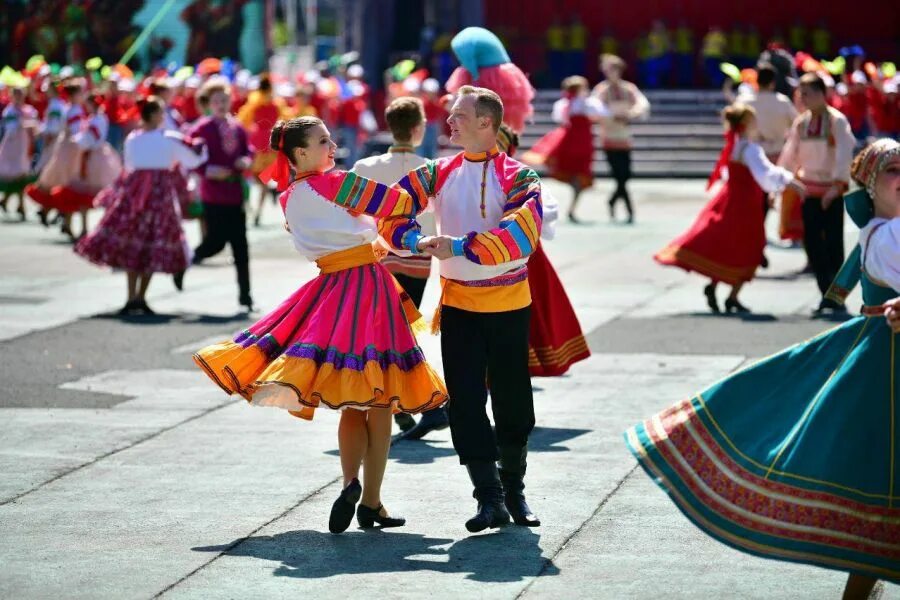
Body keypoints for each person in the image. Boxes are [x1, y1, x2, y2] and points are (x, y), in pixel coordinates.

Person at [627, 137, 900, 600]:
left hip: (875, 356)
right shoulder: (884, 234)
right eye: (893, 171)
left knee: (877, 474)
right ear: (871, 185)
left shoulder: (882, 228)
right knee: (872, 468)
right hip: (883, 361)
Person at [193, 116, 448, 534]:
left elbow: (327, 237)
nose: (332, 147)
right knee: (381, 398)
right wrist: (430, 183)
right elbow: (399, 203)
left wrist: (368, 234)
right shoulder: (338, 183)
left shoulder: (288, 198)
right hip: (368, 288)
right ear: (300, 153)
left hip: (330, 289)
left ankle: (349, 482)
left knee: (350, 398)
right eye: (323, 141)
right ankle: (371, 501)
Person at [379, 85, 543, 532]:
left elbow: (519, 238)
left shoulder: (521, 177)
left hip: (509, 303)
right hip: (458, 303)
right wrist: (410, 239)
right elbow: (392, 210)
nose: (448, 123)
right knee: (466, 403)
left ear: (486, 123)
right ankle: (487, 497)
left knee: (514, 403)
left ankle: (514, 489)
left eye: (459, 117)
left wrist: (455, 245)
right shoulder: (438, 171)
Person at [655, 103, 800, 313]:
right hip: (745, 204)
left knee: (727, 244)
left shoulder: (733, 146)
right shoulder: (750, 149)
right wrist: (789, 180)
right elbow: (765, 173)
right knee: (751, 246)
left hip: (730, 200)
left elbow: (729, 173)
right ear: (746, 124)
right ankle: (732, 296)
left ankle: (716, 287)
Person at [350, 96, 437, 435]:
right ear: (418, 129)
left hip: (377, 257)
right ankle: (416, 402)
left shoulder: (365, 168)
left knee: (379, 332)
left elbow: (353, 214)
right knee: (402, 331)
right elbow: (433, 217)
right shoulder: (429, 168)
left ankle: (395, 400)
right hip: (416, 257)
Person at [74, 97, 208, 315]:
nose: (163, 116)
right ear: (154, 115)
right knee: (152, 242)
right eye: (161, 112)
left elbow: (129, 164)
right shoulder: (168, 139)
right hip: (159, 192)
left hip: (134, 191)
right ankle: (141, 296)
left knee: (132, 242)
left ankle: (131, 296)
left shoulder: (133, 139)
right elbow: (193, 159)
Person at [778, 72, 856, 316]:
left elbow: (845, 154)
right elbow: (790, 153)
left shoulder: (837, 121)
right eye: (801, 94)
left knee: (833, 243)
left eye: (808, 93)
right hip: (808, 188)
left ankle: (836, 296)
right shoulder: (801, 122)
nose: (804, 98)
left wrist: (836, 186)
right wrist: (783, 180)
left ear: (822, 94)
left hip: (831, 189)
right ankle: (826, 293)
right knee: (812, 243)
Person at [188, 80, 254, 311]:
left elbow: (248, 151)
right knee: (215, 242)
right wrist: (207, 171)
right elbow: (190, 157)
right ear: (209, 104)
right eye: (216, 101)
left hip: (235, 193)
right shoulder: (201, 129)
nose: (221, 105)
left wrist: (246, 160)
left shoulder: (237, 127)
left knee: (240, 246)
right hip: (213, 194)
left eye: (224, 100)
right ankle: (186, 261)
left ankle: (246, 296)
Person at [523, 75, 608, 222]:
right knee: (576, 173)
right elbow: (601, 114)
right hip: (577, 141)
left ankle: (572, 197)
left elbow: (560, 119)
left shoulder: (568, 104)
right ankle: (572, 198)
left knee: (573, 173)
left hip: (576, 140)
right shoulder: (583, 103)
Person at [737, 63, 798, 267]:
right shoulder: (782, 102)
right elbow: (796, 126)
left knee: (757, 205)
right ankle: (757, 243)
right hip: (776, 157)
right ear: (772, 82)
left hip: (752, 159)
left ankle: (756, 243)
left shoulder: (745, 101)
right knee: (764, 204)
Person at [593, 54, 650, 223]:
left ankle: (613, 201)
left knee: (625, 175)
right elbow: (596, 108)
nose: (613, 74)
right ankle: (629, 210)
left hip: (624, 137)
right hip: (609, 137)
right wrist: (612, 116)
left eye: (615, 70)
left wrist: (631, 114)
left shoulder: (628, 89)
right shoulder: (601, 90)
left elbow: (642, 104)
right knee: (619, 175)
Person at [445, 27, 535, 134]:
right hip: (505, 72)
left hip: (491, 74)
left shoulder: (462, 47)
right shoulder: (467, 44)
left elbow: (469, 64)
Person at [237, 73, 289, 227]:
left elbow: (242, 120)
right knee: (263, 180)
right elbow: (285, 118)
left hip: (256, 143)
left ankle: (253, 210)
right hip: (270, 144)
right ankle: (258, 210)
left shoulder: (254, 102)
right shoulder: (276, 102)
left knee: (250, 177)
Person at [0, 86, 38, 219]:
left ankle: (11, 202)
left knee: (22, 174)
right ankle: (19, 205)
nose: (19, 98)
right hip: (12, 146)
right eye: (16, 95)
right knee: (17, 175)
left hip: (23, 146)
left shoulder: (27, 110)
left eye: (21, 95)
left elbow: (34, 125)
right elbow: (11, 129)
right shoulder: (10, 111)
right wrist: (24, 124)